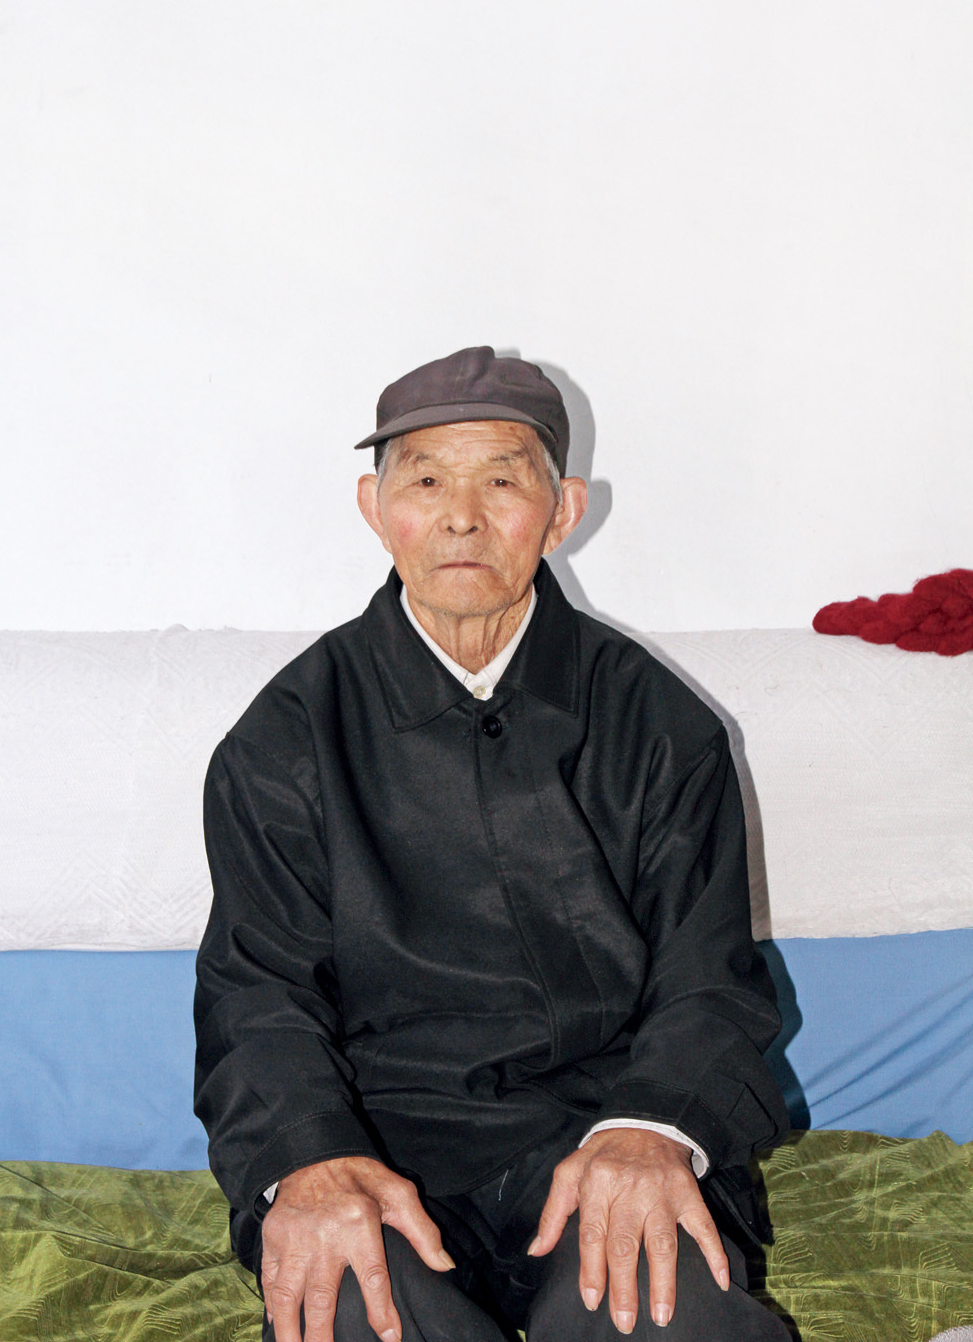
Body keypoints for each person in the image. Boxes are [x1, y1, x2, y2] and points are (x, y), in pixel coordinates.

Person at [194, 346, 790, 1342]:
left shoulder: (658, 724)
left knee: (666, 1316)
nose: (461, 516)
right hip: (373, 1142)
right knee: (351, 1312)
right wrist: (308, 1157)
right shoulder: (285, 736)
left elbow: (709, 979)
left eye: (502, 482)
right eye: (425, 481)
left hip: (603, 1128)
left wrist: (651, 1129)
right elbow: (256, 993)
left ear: (562, 511)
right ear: (374, 507)